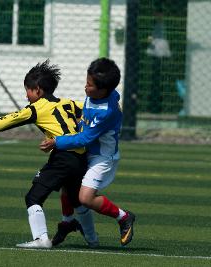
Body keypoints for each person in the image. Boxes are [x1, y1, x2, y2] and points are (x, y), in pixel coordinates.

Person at [0, 60, 98, 249]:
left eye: (28, 90)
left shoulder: (37, 108)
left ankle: (41, 239)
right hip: (81, 158)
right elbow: (90, 108)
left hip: (63, 158)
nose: (26, 95)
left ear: (38, 90)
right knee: (76, 200)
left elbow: (11, 119)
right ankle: (93, 240)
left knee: (33, 197)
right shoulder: (67, 103)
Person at [40, 58, 136, 246]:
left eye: (90, 85)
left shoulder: (105, 111)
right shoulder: (100, 94)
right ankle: (67, 223)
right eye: (86, 82)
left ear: (103, 90)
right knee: (67, 184)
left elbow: (85, 138)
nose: (85, 87)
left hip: (101, 157)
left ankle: (124, 217)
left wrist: (56, 141)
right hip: (86, 152)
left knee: (85, 198)